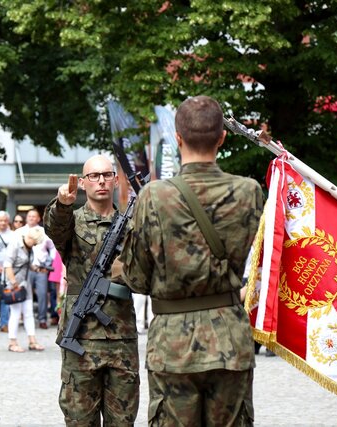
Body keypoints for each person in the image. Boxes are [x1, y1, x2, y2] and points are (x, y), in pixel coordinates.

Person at [120, 95, 263, 426]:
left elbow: (136, 278)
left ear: (178, 138)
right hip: (229, 339)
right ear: (222, 137)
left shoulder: (153, 196)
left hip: (172, 345)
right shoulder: (249, 191)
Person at [44, 154, 139, 425]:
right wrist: (62, 203)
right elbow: (54, 227)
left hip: (121, 338)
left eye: (107, 175)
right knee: (79, 420)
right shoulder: (71, 221)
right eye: (94, 176)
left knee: (122, 420)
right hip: (81, 339)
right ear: (83, 183)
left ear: (115, 181)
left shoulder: (131, 224)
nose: (101, 181)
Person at [4, 226, 46, 352]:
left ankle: (32, 341)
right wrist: (13, 282)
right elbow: (7, 265)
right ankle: (12, 342)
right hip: (14, 283)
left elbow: (26, 264)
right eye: (29, 237)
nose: (30, 240)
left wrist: (38, 269)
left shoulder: (30, 248)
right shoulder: (15, 244)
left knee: (28, 312)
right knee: (15, 314)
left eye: (33, 240)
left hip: (25, 283)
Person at [21, 209, 57, 329]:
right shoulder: (20, 232)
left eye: (34, 216)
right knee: (25, 295)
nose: (31, 218)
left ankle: (42, 319)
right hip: (26, 269)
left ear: (38, 218)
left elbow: (52, 248)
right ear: (26, 218)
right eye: (29, 216)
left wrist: (49, 262)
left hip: (41, 269)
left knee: (42, 294)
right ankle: (27, 319)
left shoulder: (44, 232)